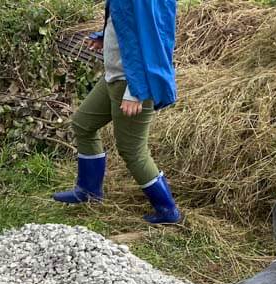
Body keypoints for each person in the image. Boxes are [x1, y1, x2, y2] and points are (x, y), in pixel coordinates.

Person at [52, 0, 182, 225]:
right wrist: (104, 36)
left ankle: (167, 210)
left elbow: (155, 37)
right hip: (114, 77)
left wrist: (136, 90)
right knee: (83, 123)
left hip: (132, 83)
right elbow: (126, 20)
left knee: (132, 149)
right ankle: (89, 191)